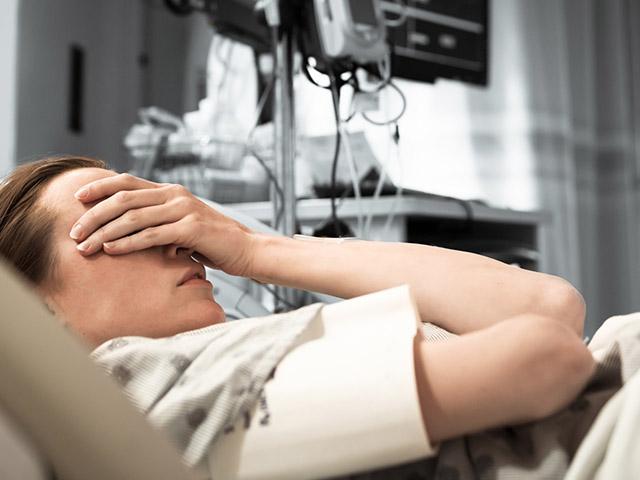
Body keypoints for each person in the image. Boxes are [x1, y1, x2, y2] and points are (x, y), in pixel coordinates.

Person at [0, 156, 595, 471]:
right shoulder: (150, 384)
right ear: (36, 315)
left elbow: (553, 307)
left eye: (154, 213)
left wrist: (254, 248)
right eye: (121, 224)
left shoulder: (220, 356)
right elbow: (545, 357)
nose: (176, 239)